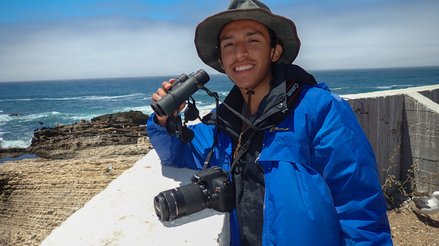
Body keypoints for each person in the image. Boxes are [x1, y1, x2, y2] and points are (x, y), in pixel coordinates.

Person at [147, 0, 392, 245]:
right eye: (229, 44)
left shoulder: (321, 110)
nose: (240, 52)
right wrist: (163, 120)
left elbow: (361, 214)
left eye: (253, 40)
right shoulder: (224, 125)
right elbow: (177, 154)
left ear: (274, 51)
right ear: (222, 61)